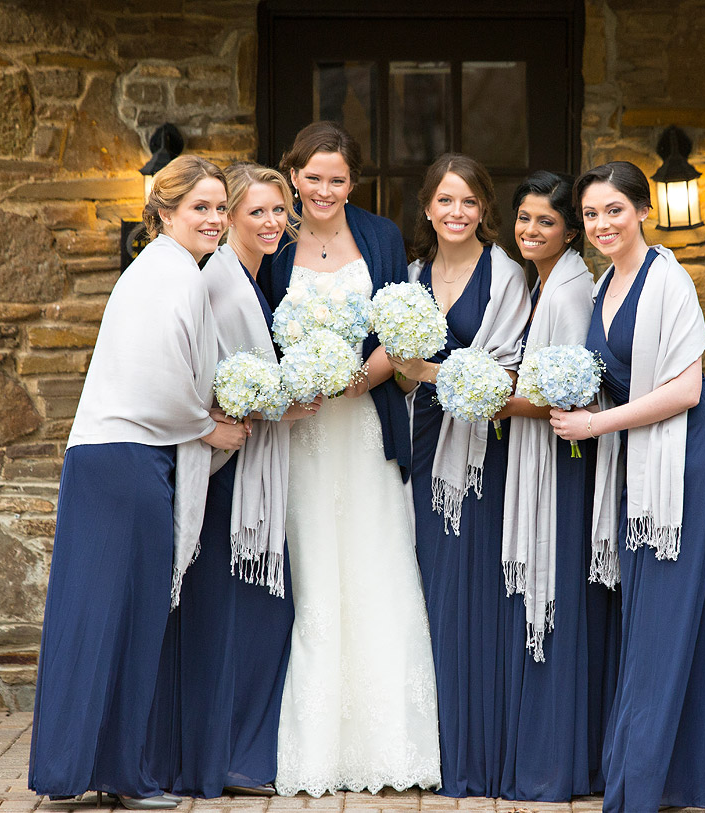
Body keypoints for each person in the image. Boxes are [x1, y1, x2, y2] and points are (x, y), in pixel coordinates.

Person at [29, 156, 247, 809]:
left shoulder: (160, 270)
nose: (213, 219)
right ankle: (124, 775)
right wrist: (208, 428)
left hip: (106, 455)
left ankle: (79, 767)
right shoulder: (172, 277)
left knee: (96, 613)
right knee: (131, 614)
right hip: (128, 458)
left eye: (218, 208)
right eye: (200, 208)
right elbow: (158, 386)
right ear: (164, 212)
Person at [549, 161, 705, 812]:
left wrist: (595, 423)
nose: (602, 223)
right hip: (642, 453)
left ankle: (641, 785)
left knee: (664, 617)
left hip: (690, 457)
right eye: (590, 214)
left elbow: (685, 389)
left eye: (614, 209)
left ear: (643, 210)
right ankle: (692, 774)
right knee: (654, 612)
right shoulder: (600, 285)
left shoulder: (668, 280)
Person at [265, 121, 440, 798]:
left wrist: (361, 377)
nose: (325, 191)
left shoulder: (381, 237)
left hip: (365, 424)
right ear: (294, 175)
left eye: (338, 179)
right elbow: (260, 331)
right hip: (306, 432)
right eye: (313, 178)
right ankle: (317, 748)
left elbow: (401, 329)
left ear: (352, 182)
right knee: (317, 576)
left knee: (378, 565)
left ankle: (392, 746)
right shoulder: (276, 243)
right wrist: (297, 383)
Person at [155, 163, 317, 798]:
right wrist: (274, 403)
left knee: (257, 612)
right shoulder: (218, 282)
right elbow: (204, 386)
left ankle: (235, 753)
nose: (272, 222)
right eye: (257, 212)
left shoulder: (250, 277)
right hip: (229, 476)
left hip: (255, 469)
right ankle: (215, 758)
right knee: (228, 613)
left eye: (280, 211)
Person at [389, 153, 530, 798]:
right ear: (427, 207)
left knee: (471, 589)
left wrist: (430, 374)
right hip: (418, 448)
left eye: (469, 202)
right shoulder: (409, 276)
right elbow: (393, 364)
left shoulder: (507, 278)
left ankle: (473, 749)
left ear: (484, 211)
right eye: (445, 200)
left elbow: (507, 372)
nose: (456, 212)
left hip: (480, 456)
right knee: (423, 586)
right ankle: (426, 744)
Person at [497, 171, 618, 801]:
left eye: (545, 221)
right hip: (545, 455)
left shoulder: (569, 290)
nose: (530, 230)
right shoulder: (540, 281)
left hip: (563, 466)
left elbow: (567, 393)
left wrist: (495, 398)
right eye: (522, 217)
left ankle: (559, 764)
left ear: (570, 231)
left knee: (560, 602)